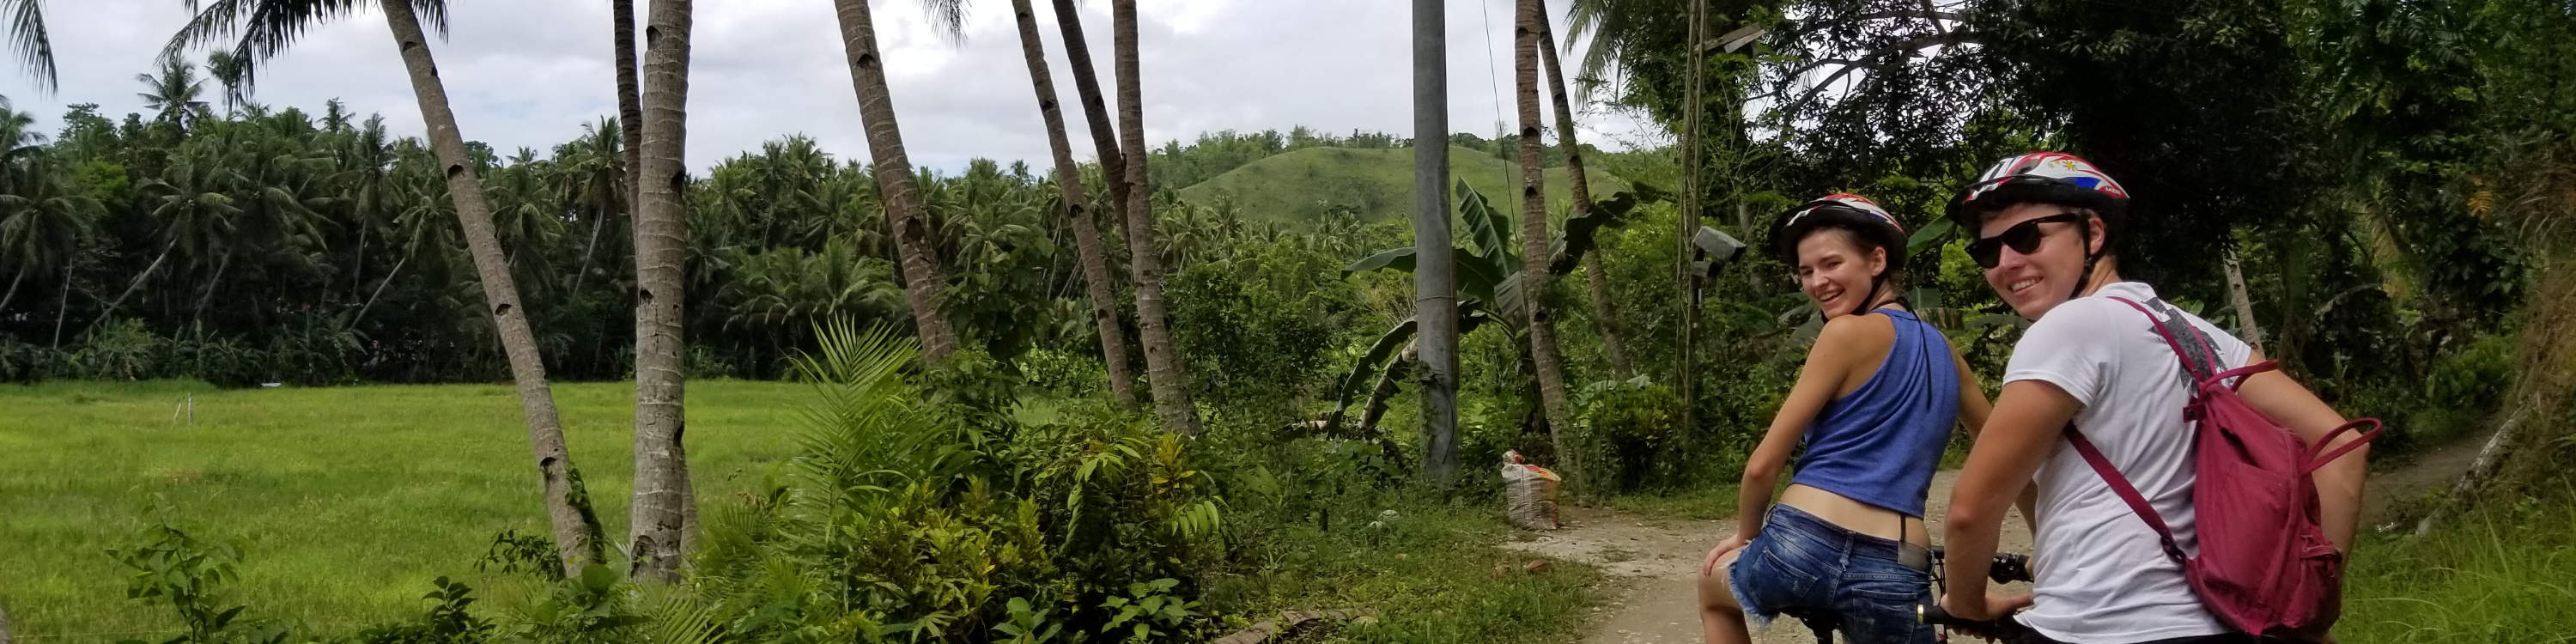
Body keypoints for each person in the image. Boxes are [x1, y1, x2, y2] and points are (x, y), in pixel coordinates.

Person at [1935, 152, 2372, 643]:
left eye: (2026, 237)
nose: (2007, 263)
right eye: (1988, 252)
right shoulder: (2201, 335)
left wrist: (1967, 605)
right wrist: (2309, 606)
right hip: (2224, 623)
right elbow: (2344, 446)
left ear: (2094, 234)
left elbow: (1972, 510)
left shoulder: (2070, 325)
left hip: (2098, 626)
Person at [1697, 194, 1996, 644]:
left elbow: (1763, 464)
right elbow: (2005, 458)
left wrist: (1745, 535)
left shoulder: (1842, 332)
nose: (1818, 282)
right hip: (1898, 564)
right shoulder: (1947, 354)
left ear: (1877, 260)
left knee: (1710, 588)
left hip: (1799, 547)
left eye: (1831, 264)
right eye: (1806, 272)